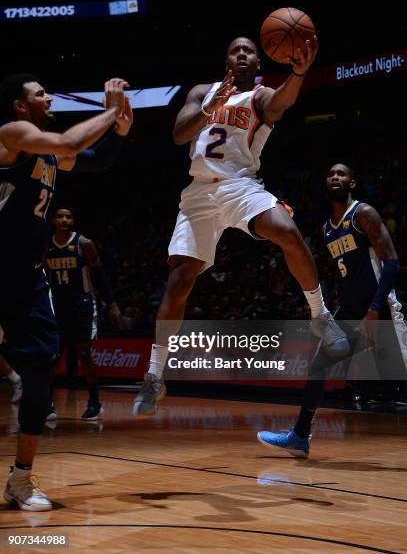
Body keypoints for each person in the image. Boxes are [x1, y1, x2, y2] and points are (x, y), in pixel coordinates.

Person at [133, 36, 350, 415]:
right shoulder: (203, 92)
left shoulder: (261, 96)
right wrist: (207, 109)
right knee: (180, 279)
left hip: (239, 185)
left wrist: (299, 73)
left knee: (286, 230)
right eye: (235, 49)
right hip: (199, 192)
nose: (242, 54)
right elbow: (178, 135)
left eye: (249, 50)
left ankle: (320, 316)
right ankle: (154, 375)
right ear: (227, 59)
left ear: (259, 59)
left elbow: (283, 101)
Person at [0, 73, 130, 511]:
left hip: (25, 278)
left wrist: (121, 131)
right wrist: (110, 111)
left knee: (40, 372)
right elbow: (70, 144)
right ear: (20, 105)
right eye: (39, 93)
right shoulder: (11, 134)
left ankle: (20, 479)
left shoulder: (50, 156)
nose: (49, 96)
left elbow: (95, 160)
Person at [257, 163, 407, 457]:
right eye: (330, 174)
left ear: (352, 183)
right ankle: (300, 436)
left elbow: (391, 265)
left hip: (381, 310)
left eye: (342, 174)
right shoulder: (327, 229)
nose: (336, 177)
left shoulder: (364, 214)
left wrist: (374, 312)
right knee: (318, 366)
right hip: (350, 313)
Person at [46, 206, 120, 420]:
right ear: (53, 221)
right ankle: (48, 403)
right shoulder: (46, 246)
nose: (64, 219)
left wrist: (112, 303)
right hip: (57, 305)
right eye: (60, 216)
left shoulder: (83, 243)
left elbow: (100, 276)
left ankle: (95, 401)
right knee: (52, 356)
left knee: (84, 354)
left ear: (73, 221)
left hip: (82, 303)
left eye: (68, 216)